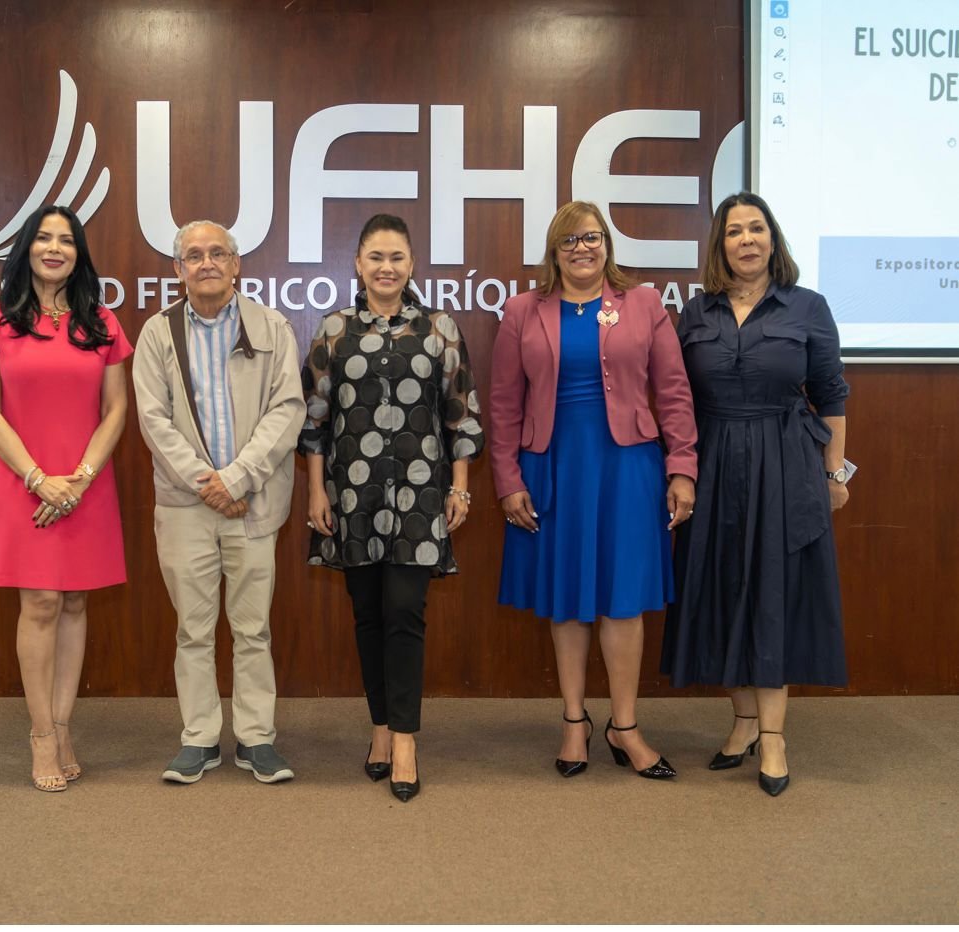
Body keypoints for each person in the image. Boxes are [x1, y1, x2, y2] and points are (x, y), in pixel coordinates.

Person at [490, 201, 697, 780]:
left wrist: (683, 467)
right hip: (553, 468)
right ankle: (574, 722)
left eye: (592, 237)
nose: (582, 248)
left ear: (607, 244)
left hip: (628, 469)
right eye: (569, 240)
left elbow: (674, 392)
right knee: (569, 598)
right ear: (553, 251)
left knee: (623, 598)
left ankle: (624, 726)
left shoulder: (644, 303)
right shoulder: (522, 311)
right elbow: (503, 405)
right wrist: (507, 479)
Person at [661, 192, 850, 797]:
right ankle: (743, 720)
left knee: (772, 591)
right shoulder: (697, 312)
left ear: (773, 239)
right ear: (720, 245)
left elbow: (831, 393)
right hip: (712, 460)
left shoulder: (808, 306)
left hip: (785, 462)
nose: (746, 239)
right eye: (734, 231)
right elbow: (677, 396)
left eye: (756, 228)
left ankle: (773, 738)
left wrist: (834, 474)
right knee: (718, 587)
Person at [299, 213, 483, 803]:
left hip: (421, 496)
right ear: (358, 263)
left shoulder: (439, 328)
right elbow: (314, 420)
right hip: (352, 497)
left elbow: (461, 413)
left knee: (405, 611)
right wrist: (316, 491)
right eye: (375, 257)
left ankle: (404, 740)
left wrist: (459, 487)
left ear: (411, 264)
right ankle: (379, 728)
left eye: (396, 257)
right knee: (368, 615)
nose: (386, 268)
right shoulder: (334, 330)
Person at [0, 204, 132, 792]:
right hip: (21, 480)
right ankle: (39, 735)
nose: (54, 248)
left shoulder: (101, 323)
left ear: (79, 254)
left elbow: (116, 410)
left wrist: (79, 479)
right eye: (44, 238)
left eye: (66, 240)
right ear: (27, 248)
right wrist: (39, 479)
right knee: (39, 602)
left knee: (75, 602)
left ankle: (62, 727)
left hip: (85, 482)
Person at [134, 219, 304, 785]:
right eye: (193, 255)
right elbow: (153, 420)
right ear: (177, 269)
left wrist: (236, 480)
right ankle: (200, 738)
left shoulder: (271, 327)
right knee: (193, 629)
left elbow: (287, 410)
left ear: (236, 264)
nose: (205, 263)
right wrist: (206, 482)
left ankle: (257, 738)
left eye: (217, 253)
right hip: (184, 507)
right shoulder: (157, 333)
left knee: (253, 629)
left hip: (253, 503)